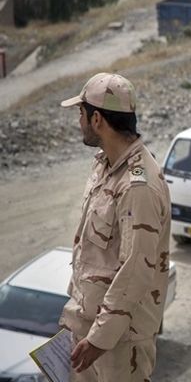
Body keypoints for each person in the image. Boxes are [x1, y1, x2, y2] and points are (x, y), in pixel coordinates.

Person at [58, 72, 171, 381]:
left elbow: (135, 270)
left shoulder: (139, 186)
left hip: (119, 344)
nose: (78, 121)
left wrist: (99, 339)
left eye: (81, 114)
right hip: (88, 331)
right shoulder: (104, 165)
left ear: (97, 120)